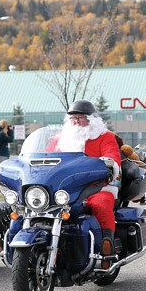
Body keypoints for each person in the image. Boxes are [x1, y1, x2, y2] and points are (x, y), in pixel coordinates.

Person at [53, 100, 121, 268]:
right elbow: (45, 155)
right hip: (64, 189)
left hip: (97, 186)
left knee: (101, 204)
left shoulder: (104, 137)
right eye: (73, 118)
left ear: (91, 119)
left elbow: (112, 156)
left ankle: (106, 247)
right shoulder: (61, 138)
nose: (76, 121)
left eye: (81, 117)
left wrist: (107, 164)